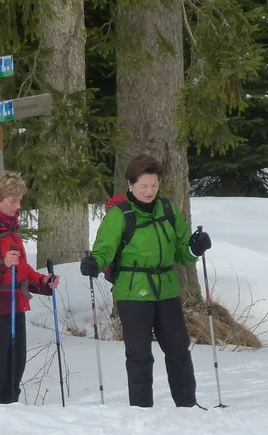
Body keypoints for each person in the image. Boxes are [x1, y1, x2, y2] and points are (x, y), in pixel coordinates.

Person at [79, 154, 212, 408]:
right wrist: (94, 263)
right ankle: (141, 411)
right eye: (143, 186)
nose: (150, 191)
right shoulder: (120, 215)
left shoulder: (168, 210)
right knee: (139, 354)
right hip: (132, 291)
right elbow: (104, 249)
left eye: (154, 185)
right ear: (130, 185)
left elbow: (181, 251)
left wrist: (195, 248)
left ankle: (187, 406)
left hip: (167, 289)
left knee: (178, 349)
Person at [0, 171, 60, 404]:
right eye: (13, 200)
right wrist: (1, 264)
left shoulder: (10, 225)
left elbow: (21, 267)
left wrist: (42, 282)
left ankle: (10, 419)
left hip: (14, 307)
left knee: (14, 374)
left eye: (20, 201)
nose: (18, 206)